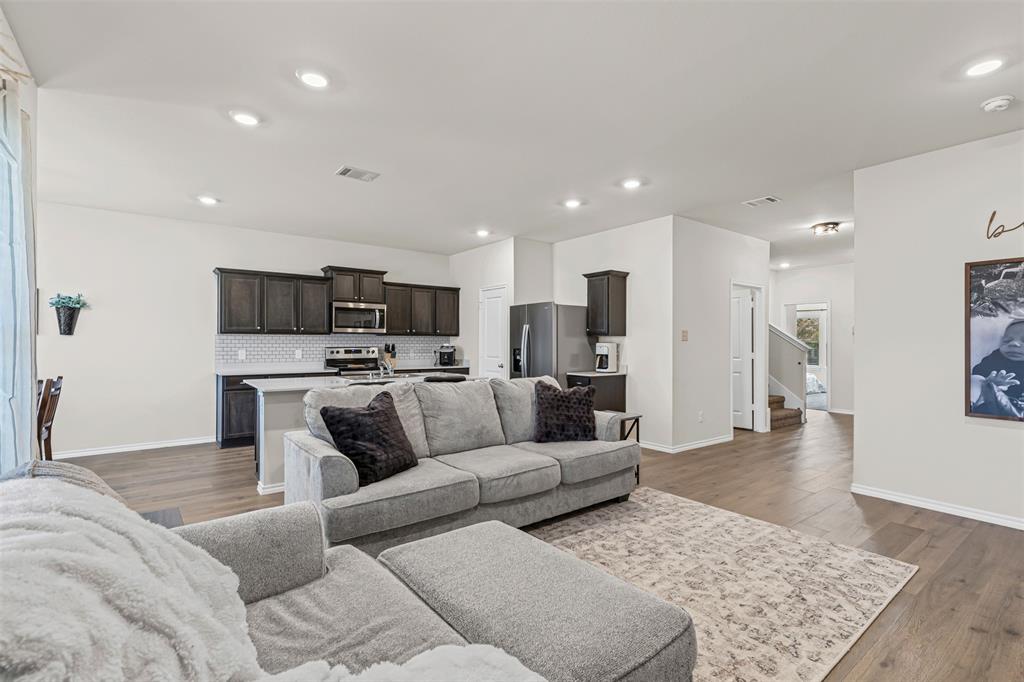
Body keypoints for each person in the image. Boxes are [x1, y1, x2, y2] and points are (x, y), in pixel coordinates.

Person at [970, 319, 1024, 419]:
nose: (1014, 344)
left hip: (1016, 406)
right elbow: (978, 371)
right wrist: (991, 383)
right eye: (1007, 340)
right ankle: (969, 403)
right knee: (976, 379)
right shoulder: (996, 357)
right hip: (987, 401)